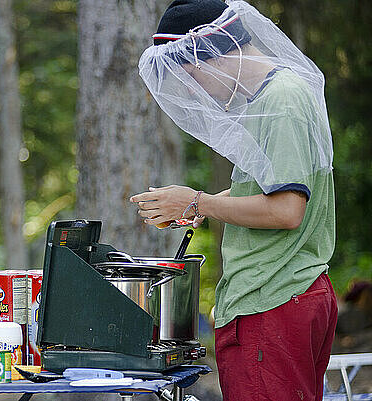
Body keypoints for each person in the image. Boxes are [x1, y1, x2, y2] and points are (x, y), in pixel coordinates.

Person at [129, 1, 338, 400]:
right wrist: (195, 206)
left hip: (272, 297)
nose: (196, 90)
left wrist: (200, 201)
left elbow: (287, 209)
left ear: (212, 53)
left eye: (192, 75)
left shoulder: (282, 101)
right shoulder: (272, 97)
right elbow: (269, 187)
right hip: (286, 294)